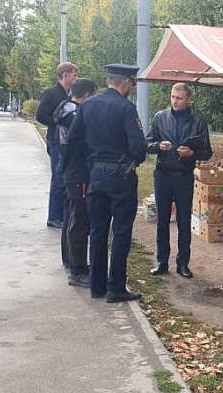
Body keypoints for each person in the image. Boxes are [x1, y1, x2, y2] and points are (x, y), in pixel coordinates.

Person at [63, 63, 146, 303]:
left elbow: (72, 141)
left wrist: (75, 171)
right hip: (120, 179)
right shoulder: (126, 108)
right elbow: (139, 149)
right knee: (120, 233)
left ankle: (96, 286)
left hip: (94, 178)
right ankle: (116, 287)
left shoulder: (87, 105)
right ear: (126, 82)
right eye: (132, 83)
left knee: (97, 232)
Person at [146, 83, 213, 278]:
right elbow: (147, 144)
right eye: (173, 97)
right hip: (163, 174)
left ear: (188, 99)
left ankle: (183, 263)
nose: (175, 101)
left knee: (184, 221)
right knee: (162, 221)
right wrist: (159, 146)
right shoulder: (160, 117)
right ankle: (162, 261)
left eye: (179, 98)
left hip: (184, 175)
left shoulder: (198, 120)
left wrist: (192, 152)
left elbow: (207, 152)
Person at [55, 78, 98, 287]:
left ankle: (74, 262)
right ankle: (77, 270)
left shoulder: (66, 110)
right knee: (79, 222)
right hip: (78, 172)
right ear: (88, 96)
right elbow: (85, 143)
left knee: (73, 218)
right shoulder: (75, 115)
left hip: (71, 171)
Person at [36, 62, 79, 230]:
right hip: (55, 140)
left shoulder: (70, 94)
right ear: (65, 75)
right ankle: (54, 216)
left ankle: (62, 214)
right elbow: (41, 115)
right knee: (58, 177)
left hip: (66, 141)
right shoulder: (52, 93)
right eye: (74, 75)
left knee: (64, 176)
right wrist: (57, 122)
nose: (76, 78)